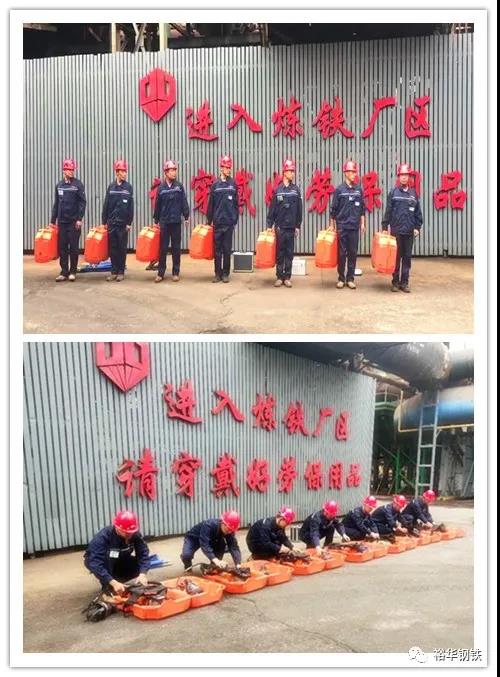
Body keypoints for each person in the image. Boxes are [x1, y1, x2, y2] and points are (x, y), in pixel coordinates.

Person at [83, 510, 150, 594]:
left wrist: (143, 574)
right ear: (117, 528)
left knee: (137, 564)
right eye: (126, 533)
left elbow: (143, 554)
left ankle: (121, 582)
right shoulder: (103, 537)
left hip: (119, 558)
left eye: (131, 532)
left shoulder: (134, 534)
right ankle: (108, 586)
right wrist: (112, 582)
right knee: (107, 561)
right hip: (99, 561)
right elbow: (95, 563)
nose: (129, 535)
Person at [381, 163, 423, 293]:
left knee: (407, 258)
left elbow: (418, 213)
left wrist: (417, 227)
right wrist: (385, 226)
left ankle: (404, 283)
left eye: (406, 175)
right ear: (398, 177)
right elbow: (388, 210)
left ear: (409, 177)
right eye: (402, 175)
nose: (404, 177)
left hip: (409, 232)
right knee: (395, 257)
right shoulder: (393, 193)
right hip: (396, 231)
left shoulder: (413, 194)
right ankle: (395, 282)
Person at [329, 160, 366, 289]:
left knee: (353, 253)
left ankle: (350, 278)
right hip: (342, 227)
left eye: (355, 172)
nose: (354, 174)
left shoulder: (358, 190)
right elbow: (333, 210)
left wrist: (362, 224)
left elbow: (362, 209)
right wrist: (332, 225)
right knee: (341, 253)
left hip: (354, 227)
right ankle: (341, 278)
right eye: (351, 172)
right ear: (346, 173)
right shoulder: (339, 190)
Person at [266, 159, 303, 288]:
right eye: (290, 171)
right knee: (280, 252)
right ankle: (279, 276)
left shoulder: (296, 190)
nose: (292, 173)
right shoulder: (278, 190)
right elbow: (272, 209)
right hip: (280, 227)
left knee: (289, 253)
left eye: (293, 171)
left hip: (291, 227)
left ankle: (287, 277)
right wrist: (269, 225)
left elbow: (299, 209)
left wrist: (298, 225)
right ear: (284, 172)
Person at [153, 160, 190, 283]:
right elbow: (157, 205)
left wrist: (186, 216)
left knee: (176, 248)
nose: (174, 173)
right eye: (171, 170)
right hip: (164, 222)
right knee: (163, 248)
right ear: (166, 172)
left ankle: (175, 272)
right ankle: (161, 273)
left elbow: (183, 201)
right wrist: (156, 220)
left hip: (175, 222)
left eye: (175, 170)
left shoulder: (179, 187)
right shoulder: (161, 188)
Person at [50, 158, 86, 282]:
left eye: (72, 169)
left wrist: (79, 219)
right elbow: (56, 204)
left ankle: (73, 271)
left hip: (74, 223)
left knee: (74, 248)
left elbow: (82, 203)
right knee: (62, 247)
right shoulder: (59, 185)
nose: (71, 171)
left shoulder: (78, 185)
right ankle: (64, 272)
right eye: (68, 169)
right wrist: (52, 221)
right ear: (64, 170)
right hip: (62, 222)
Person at [206, 155, 239, 283]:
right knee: (217, 250)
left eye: (229, 167)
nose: (228, 170)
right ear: (221, 168)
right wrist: (209, 221)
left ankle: (225, 274)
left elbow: (236, 203)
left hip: (229, 223)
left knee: (227, 249)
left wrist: (234, 218)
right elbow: (211, 204)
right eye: (226, 167)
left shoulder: (233, 184)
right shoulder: (215, 185)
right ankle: (217, 274)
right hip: (218, 222)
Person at [101, 159, 134, 282]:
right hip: (111, 223)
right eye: (122, 171)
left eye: (125, 171)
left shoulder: (128, 187)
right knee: (112, 248)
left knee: (122, 248)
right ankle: (113, 271)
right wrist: (104, 222)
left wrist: (129, 222)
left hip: (123, 224)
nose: (124, 174)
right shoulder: (111, 187)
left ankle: (121, 272)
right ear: (117, 172)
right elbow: (106, 205)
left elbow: (130, 206)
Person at [145, 177, 161, 271]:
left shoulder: (156, 192)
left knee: (158, 244)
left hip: (161, 221)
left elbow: (157, 208)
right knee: (157, 244)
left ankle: (155, 262)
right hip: (160, 221)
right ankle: (154, 262)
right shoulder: (158, 192)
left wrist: (156, 221)